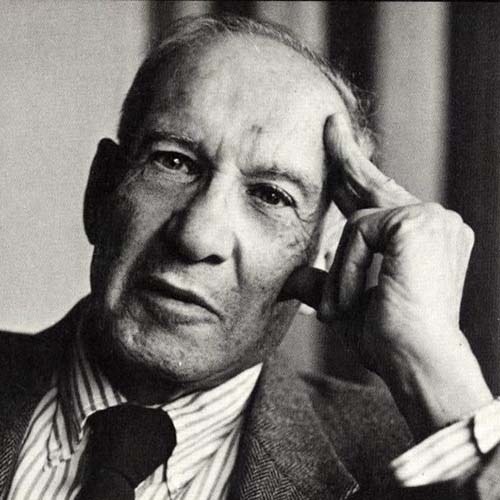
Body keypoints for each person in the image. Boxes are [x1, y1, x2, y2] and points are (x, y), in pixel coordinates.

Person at [1, 14, 500, 500]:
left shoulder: (412, 456)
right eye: (173, 161)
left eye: (270, 195)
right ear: (101, 191)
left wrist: (433, 367)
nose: (197, 237)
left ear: (327, 257)